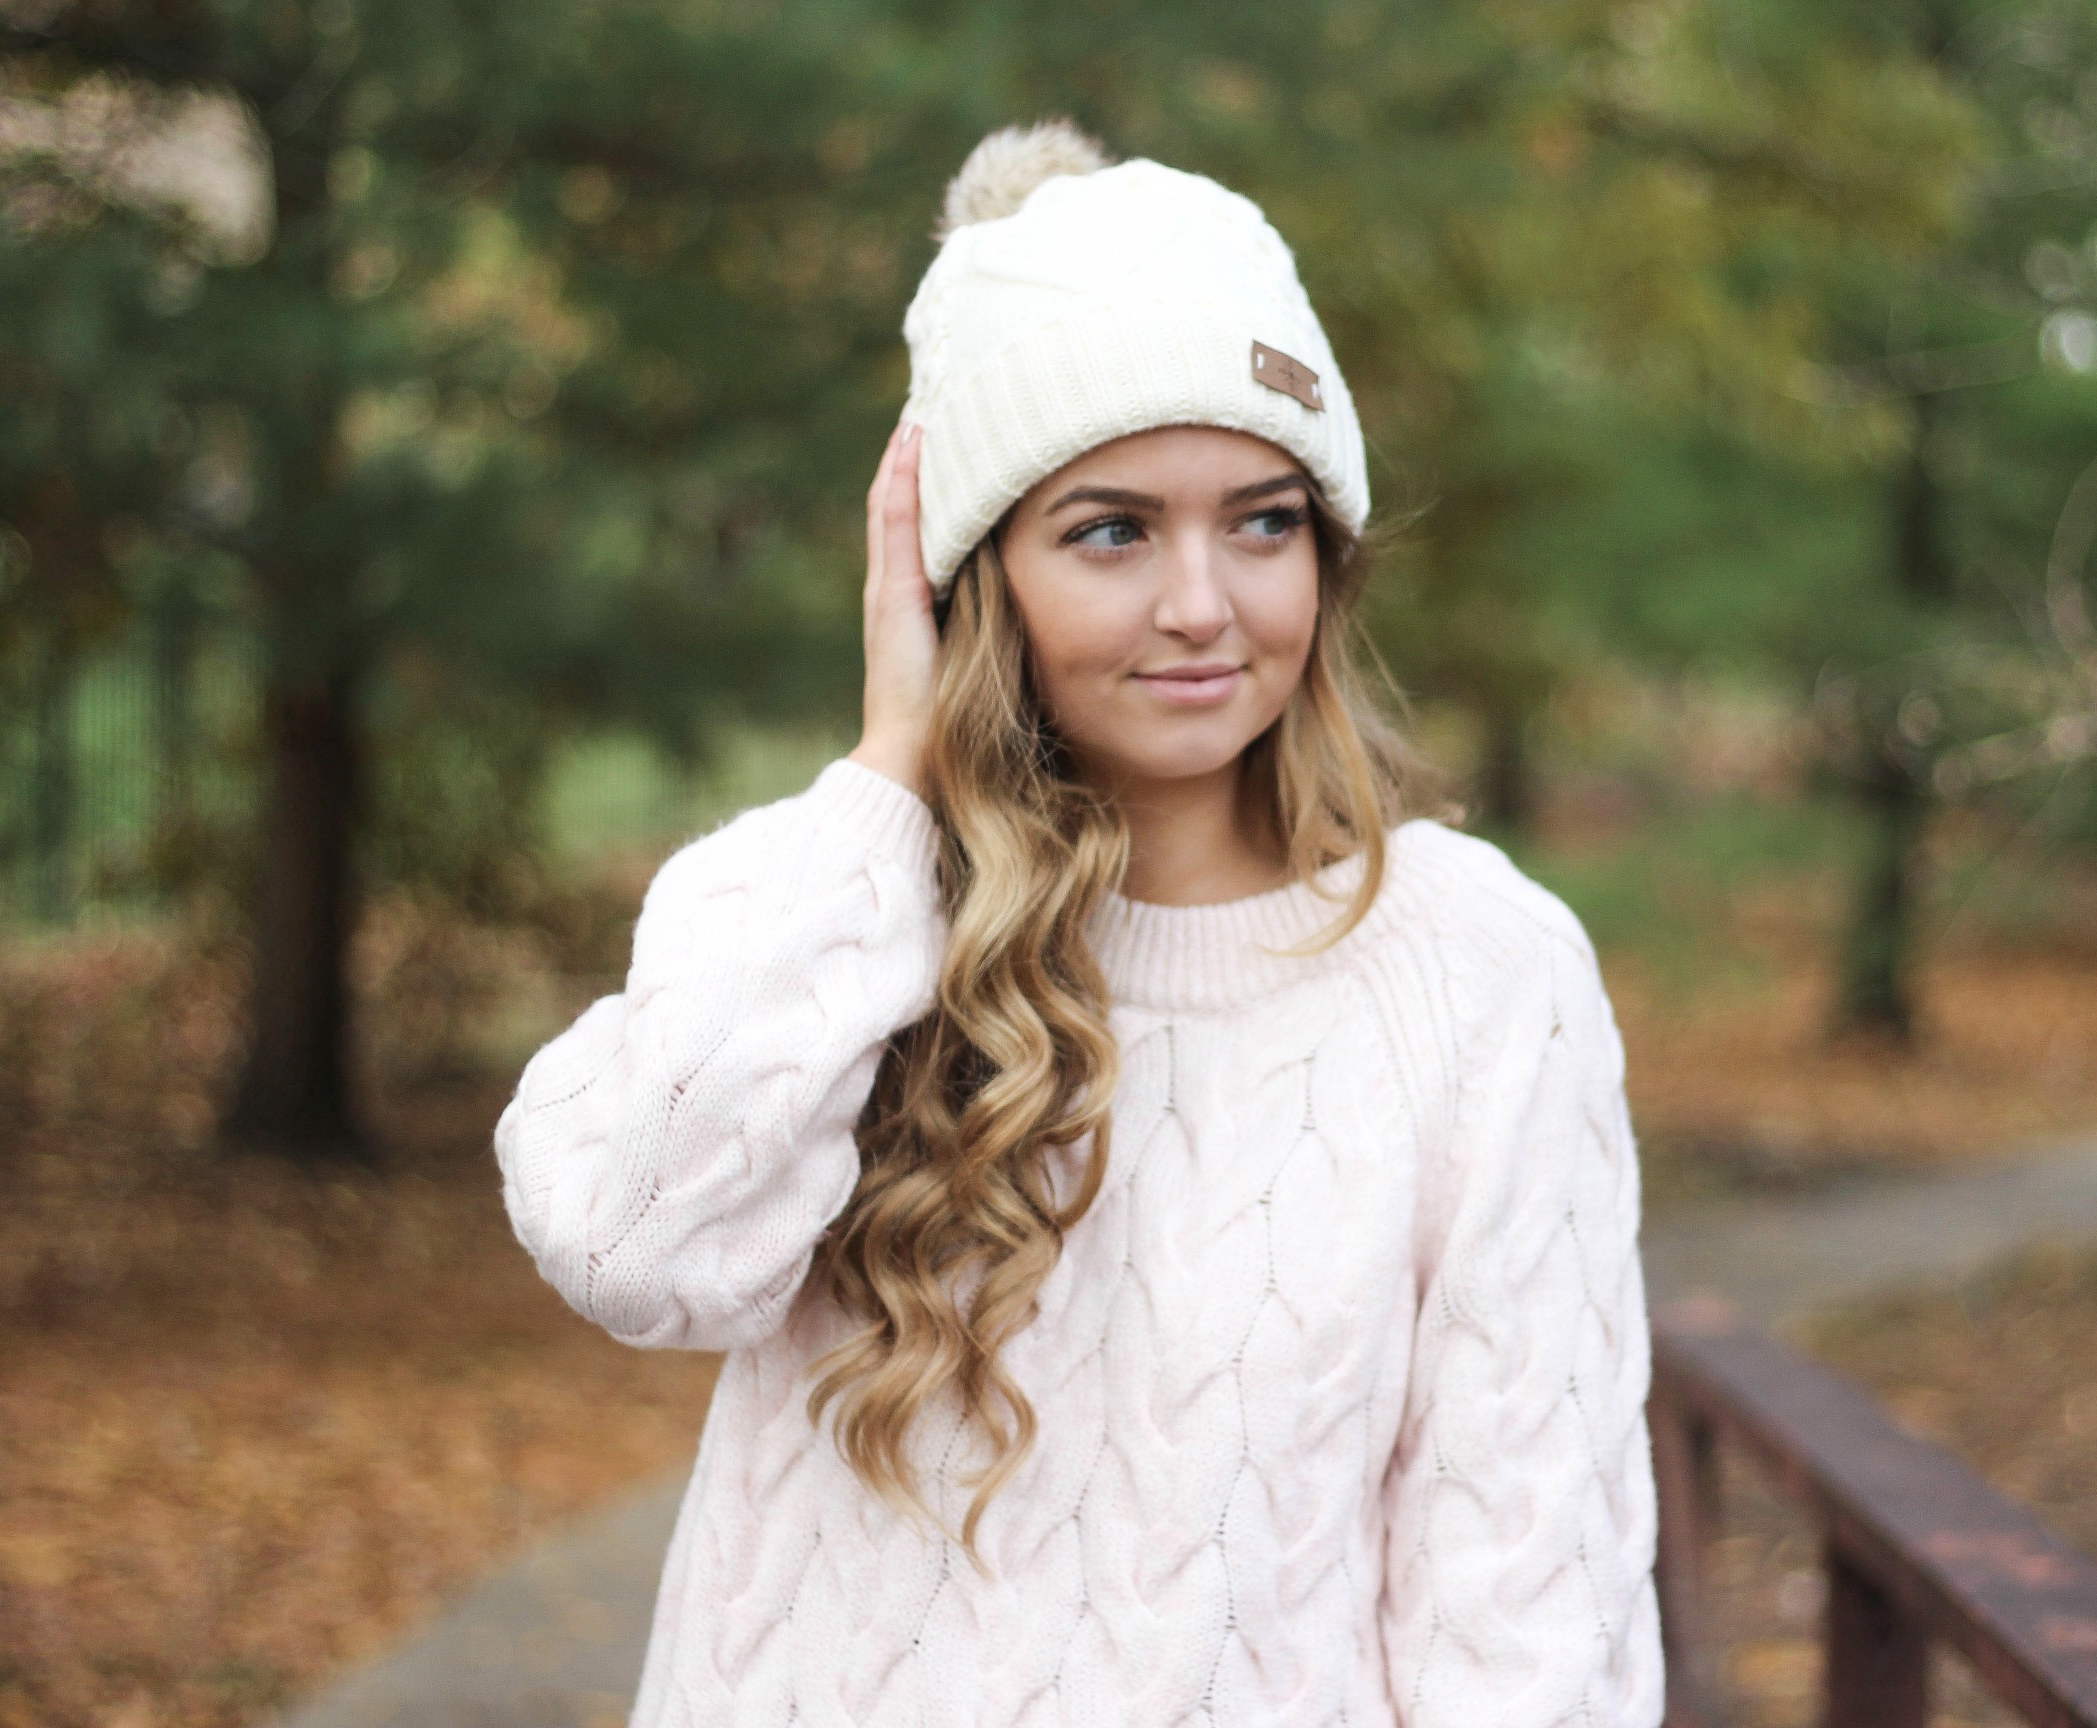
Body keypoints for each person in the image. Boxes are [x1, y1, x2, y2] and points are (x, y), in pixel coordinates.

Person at [496, 118, 1663, 1727]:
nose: (1204, 601)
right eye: (1111, 528)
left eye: (1262, 520)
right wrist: (892, 769)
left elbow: (1529, 1622)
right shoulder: (832, 909)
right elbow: (627, 1242)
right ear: (976, 578)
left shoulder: (1479, 972)